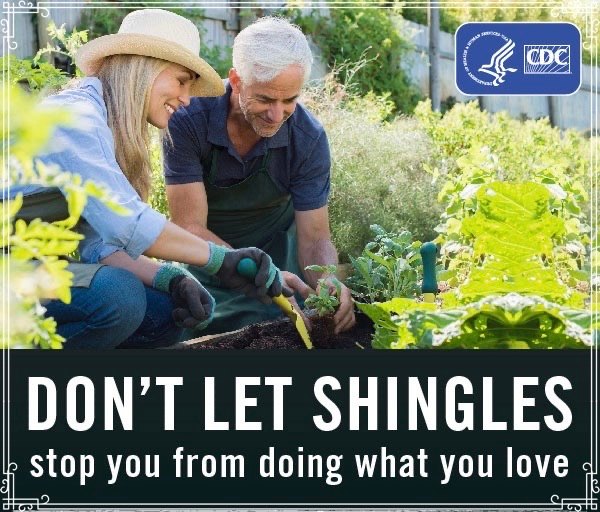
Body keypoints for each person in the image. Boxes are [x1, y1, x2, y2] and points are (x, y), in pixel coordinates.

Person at [8, 9, 289, 349]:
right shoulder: (74, 118)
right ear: (144, 67)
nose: (186, 99)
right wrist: (219, 259)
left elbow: (97, 246)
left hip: (31, 273)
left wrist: (170, 279)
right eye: (182, 81)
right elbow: (129, 224)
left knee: (165, 310)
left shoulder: (106, 128)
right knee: (119, 296)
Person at [163, 16, 356, 336]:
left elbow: (316, 237)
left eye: (290, 100)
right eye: (265, 99)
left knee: (282, 331)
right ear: (236, 81)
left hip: (282, 263)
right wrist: (252, 272)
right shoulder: (189, 120)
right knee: (186, 328)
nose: (276, 114)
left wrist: (328, 280)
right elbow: (189, 226)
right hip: (208, 260)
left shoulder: (307, 138)